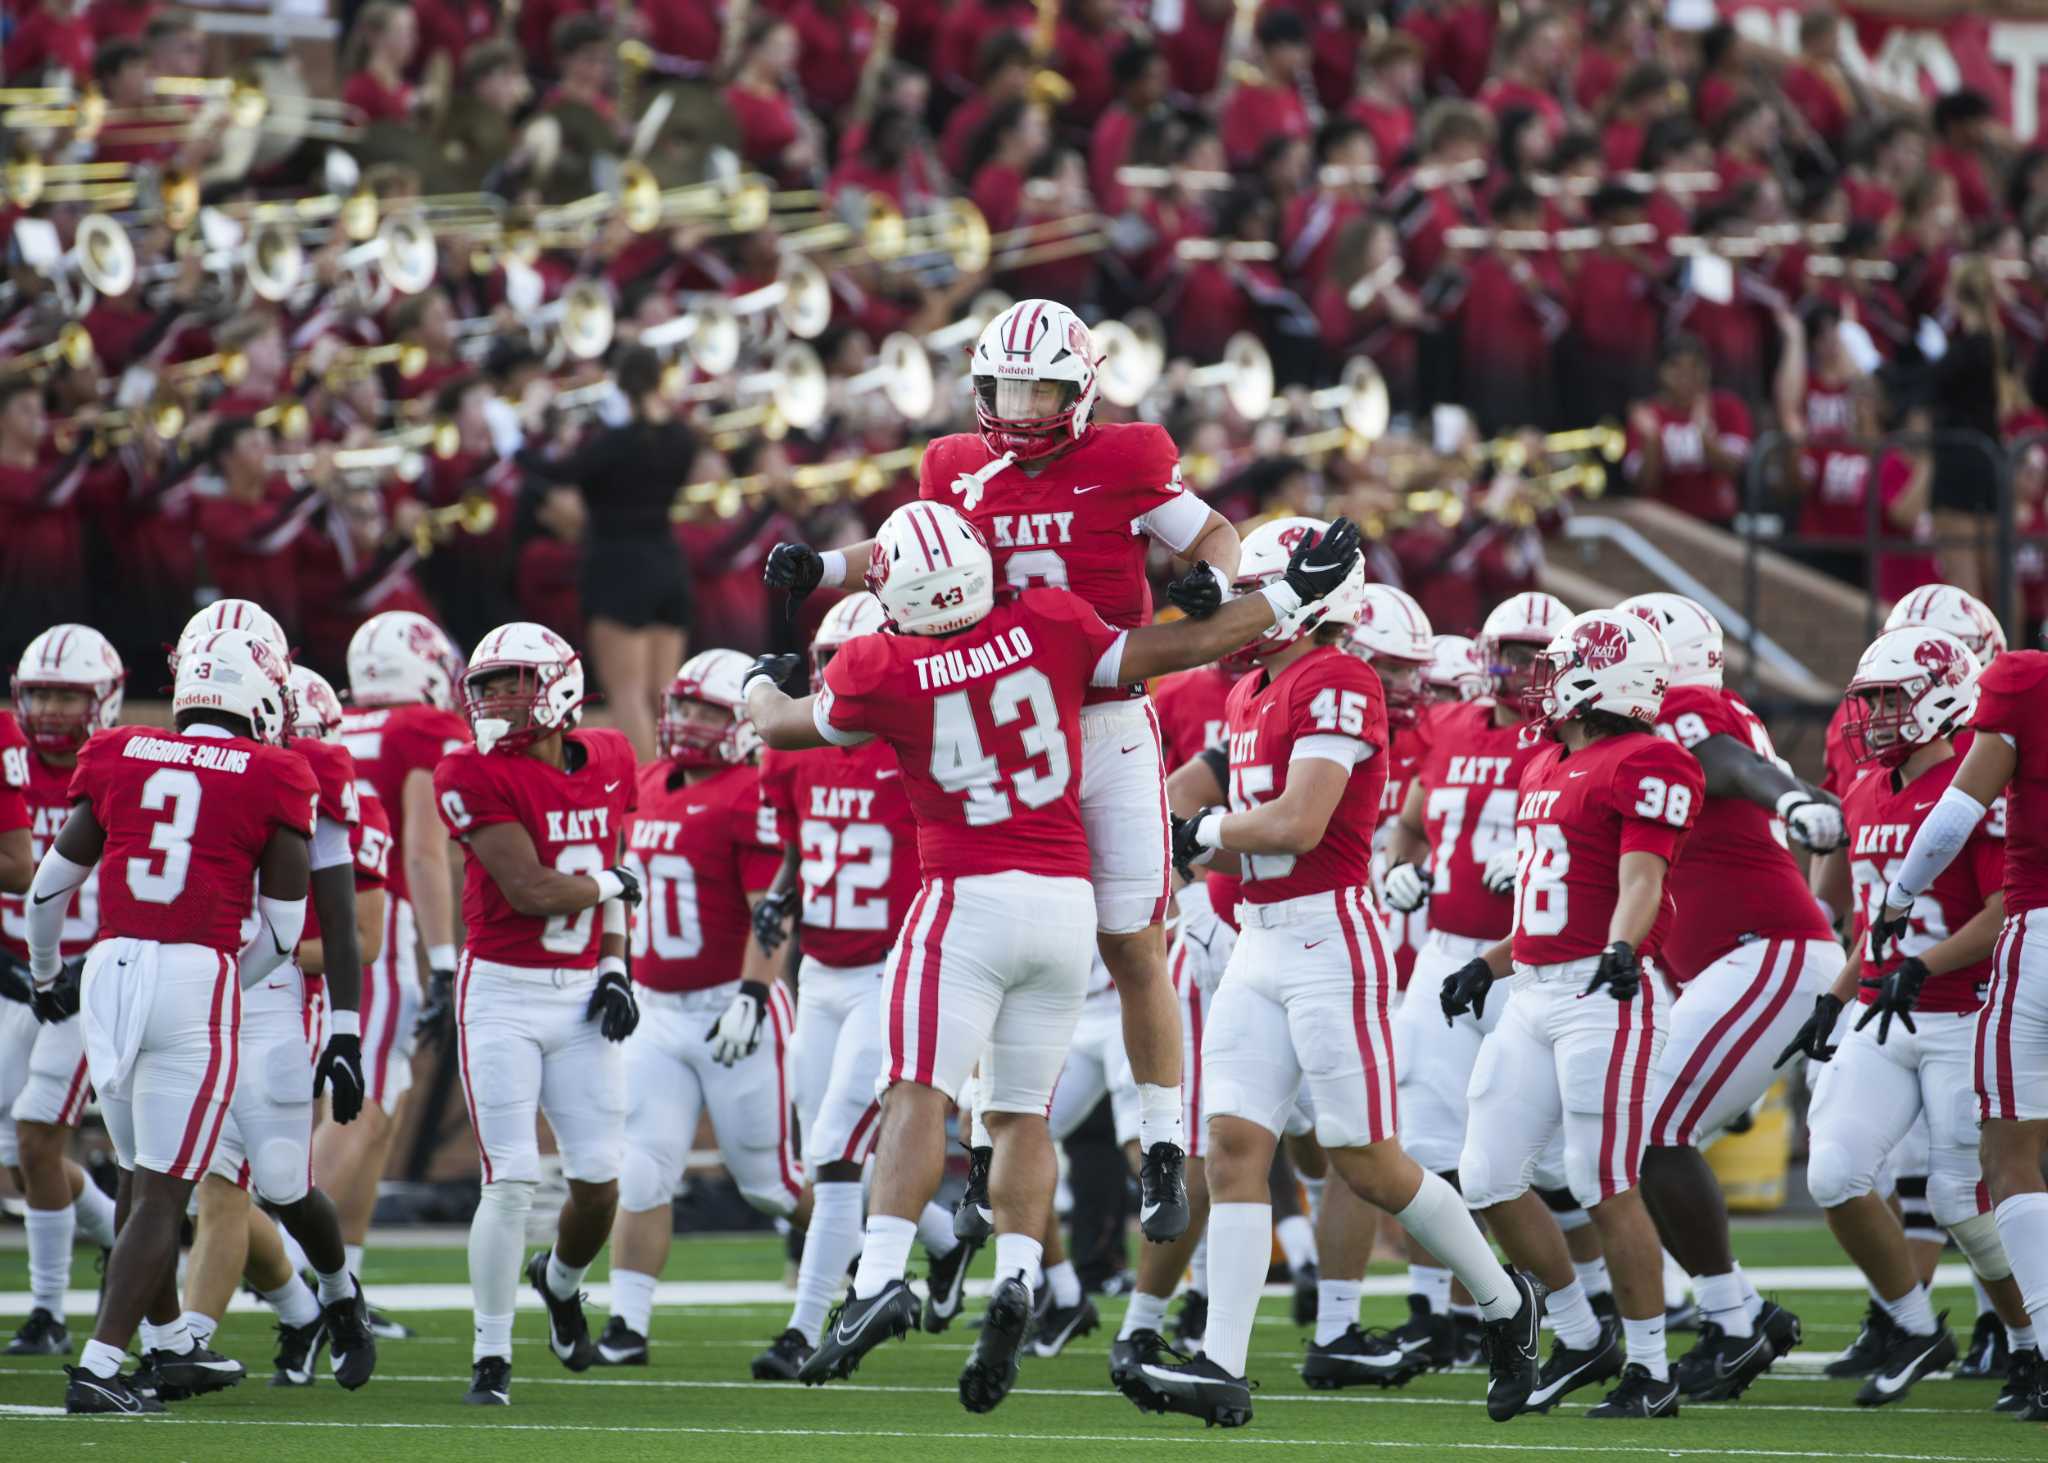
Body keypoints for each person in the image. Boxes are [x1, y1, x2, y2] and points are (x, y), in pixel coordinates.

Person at [743, 499, 1364, 1411]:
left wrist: (762, 675)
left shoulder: (883, 663)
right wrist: (1280, 604)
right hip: (1067, 907)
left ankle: (878, 1275)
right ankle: (1023, 1274)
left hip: (963, 898)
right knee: (1021, 1115)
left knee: (917, 1091)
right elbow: (1173, 648)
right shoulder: (1048, 624)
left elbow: (781, 723)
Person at [764, 298, 1251, 1247]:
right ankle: (990, 1154)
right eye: (1006, 387)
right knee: (1002, 929)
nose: (1023, 408)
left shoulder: (1128, 457)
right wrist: (823, 565)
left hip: (1104, 707)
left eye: (1043, 388)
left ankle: (1160, 1139)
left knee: (1130, 937)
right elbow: (906, 551)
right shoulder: (952, 465)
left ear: (1084, 388)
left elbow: (1216, 535)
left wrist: (1216, 585)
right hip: (1005, 708)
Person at [1132, 520, 1540, 1428]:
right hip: (1259, 938)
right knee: (1232, 1151)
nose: (1243, 609)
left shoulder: (1339, 678)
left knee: (1368, 1162)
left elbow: (1298, 823)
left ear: (1306, 598)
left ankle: (1506, 1305)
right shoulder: (1252, 689)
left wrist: (1202, 836)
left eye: (1257, 591)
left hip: (1327, 941)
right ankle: (1221, 1365)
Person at [25, 627, 317, 1415]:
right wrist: (229, 981)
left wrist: (49, 974)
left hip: (110, 969)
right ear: (257, 696)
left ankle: (164, 1347)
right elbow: (285, 932)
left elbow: (46, 891)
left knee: (135, 1176)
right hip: (195, 972)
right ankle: (98, 1364)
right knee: (163, 1189)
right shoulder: (276, 771)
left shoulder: (121, 750)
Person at [1444, 607, 1705, 1419]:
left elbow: (1641, 880)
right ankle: (1577, 1329)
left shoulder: (1650, 760)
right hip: (1531, 988)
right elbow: (1544, 899)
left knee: (1603, 1179)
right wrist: (1487, 963)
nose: (1542, 683)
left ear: (1606, 677)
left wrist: (1624, 948)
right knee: (1485, 1176)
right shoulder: (1547, 761)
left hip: (1604, 992)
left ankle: (1653, 1370)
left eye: (1559, 668)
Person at [1778, 625, 2040, 1411]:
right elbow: (1878, 922)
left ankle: (2030, 1345)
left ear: (1944, 697)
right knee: (1832, 1170)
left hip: (1964, 1013)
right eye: (1873, 700)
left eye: (1894, 698)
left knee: (1966, 1199)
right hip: (1883, 1012)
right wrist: (1833, 995)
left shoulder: (1978, 777)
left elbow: (2003, 907)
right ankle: (1916, 1323)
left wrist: (1926, 965)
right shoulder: (1864, 786)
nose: (1878, 716)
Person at [1618, 591, 1841, 1400]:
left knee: (1648, 1129)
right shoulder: (1649, 726)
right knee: (1631, 1135)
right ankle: (1737, 1312)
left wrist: (1790, 796)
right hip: (1721, 966)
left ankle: (1734, 1321)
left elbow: (1725, 762)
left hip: (1768, 951)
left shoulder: (1687, 710)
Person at [750, 594, 972, 1381]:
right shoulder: (792, 750)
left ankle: (806, 1328)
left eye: (853, 662)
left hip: (895, 965)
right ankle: (945, 1240)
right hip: (823, 971)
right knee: (831, 1153)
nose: (840, 680)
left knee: (835, 1153)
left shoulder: (919, 739)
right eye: (830, 664)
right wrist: (782, 893)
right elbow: (799, 844)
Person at [434, 622, 643, 1406]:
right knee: (513, 1177)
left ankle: (559, 1282)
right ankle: (492, 1355)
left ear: (558, 684)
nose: (494, 698)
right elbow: (532, 890)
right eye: (486, 683)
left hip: (582, 991)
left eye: (513, 680)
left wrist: (616, 962)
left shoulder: (613, 757)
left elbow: (616, 862)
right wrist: (615, 887)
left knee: (598, 1183)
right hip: (504, 993)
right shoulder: (467, 771)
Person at [177, 665, 380, 1391]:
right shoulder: (191, 763)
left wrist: (347, 1032)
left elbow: (357, 933)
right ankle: (183, 1340)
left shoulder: (321, 777)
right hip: (195, 985)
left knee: (285, 1183)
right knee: (209, 1183)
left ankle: (334, 1296)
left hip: (278, 993)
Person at [1863, 634, 2048, 1421]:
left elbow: (1952, 819)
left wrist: (1899, 897)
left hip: (2040, 932)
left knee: (2008, 1155)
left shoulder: (2026, 679)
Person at [1380, 591, 1566, 1370]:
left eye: (1532, 655)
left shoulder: (1561, 737)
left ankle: (1583, 1304)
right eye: (1507, 652)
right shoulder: (1449, 725)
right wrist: (1401, 868)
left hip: (1524, 960)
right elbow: (1416, 822)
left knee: (1542, 1160)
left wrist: (1528, 859)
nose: (1515, 669)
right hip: (1444, 952)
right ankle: (1446, 1311)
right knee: (1424, 1140)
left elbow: (1583, 832)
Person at [598, 649, 800, 1366]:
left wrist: (753, 993)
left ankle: (899, 1237)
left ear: (743, 722)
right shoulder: (649, 782)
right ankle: (626, 1324)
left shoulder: (751, 791)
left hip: (730, 1005)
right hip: (655, 1008)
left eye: (707, 710)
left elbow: (767, 913)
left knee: (771, 1185)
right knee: (644, 1167)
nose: (686, 721)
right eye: (681, 705)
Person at [326, 609, 471, 1338]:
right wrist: (444, 962)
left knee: (375, 1110)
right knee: (367, 1105)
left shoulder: (340, 724)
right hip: (377, 932)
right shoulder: (426, 730)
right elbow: (421, 851)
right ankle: (299, 1275)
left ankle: (340, 1285)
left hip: (315, 930)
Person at [1, 626, 124, 1357]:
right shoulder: (11, 766)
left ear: (103, 699)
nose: (49, 709)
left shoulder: (119, 768)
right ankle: (132, 1238)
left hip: (90, 977)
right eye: (40, 691)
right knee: (23, 1159)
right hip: (19, 973)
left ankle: (48, 1310)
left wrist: (88, 964)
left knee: (41, 1129)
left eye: (66, 694)